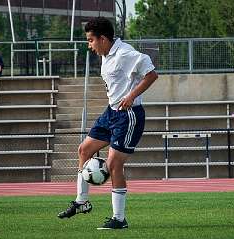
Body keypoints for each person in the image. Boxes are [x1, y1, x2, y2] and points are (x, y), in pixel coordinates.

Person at [57, 17, 158, 230]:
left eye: (91, 40)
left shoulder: (124, 54)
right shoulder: (106, 54)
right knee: (84, 150)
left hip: (129, 115)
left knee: (113, 164)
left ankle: (119, 219)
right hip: (111, 113)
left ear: (103, 39)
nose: (89, 45)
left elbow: (151, 74)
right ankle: (82, 202)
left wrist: (131, 96)